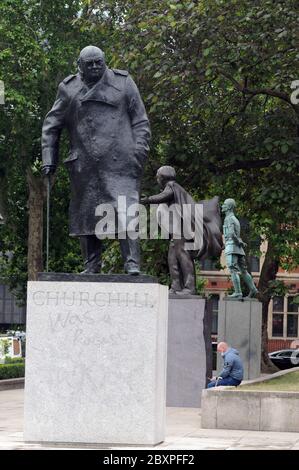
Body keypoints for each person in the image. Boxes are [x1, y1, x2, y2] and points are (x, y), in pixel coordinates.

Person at [42, 45, 151, 274]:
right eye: (89, 63)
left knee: (126, 210)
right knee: (87, 213)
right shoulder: (69, 89)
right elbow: (51, 126)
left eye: (98, 62)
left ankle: (132, 263)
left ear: (105, 62)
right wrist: (48, 159)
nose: (94, 67)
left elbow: (140, 120)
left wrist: (138, 152)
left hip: (121, 162)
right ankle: (91, 265)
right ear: (79, 65)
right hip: (85, 163)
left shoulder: (123, 83)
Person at [141, 166, 223, 295]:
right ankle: (176, 286)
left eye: (158, 176)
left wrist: (148, 200)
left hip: (182, 232)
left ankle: (190, 288)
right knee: (172, 259)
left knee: (183, 256)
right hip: (176, 233)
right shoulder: (174, 188)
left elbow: (164, 196)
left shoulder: (172, 186)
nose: (157, 179)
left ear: (163, 177)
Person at [222, 198, 258, 298]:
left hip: (231, 247)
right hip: (238, 249)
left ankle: (238, 292)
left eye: (224, 204)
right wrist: (240, 242)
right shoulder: (235, 219)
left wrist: (238, 242)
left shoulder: (228, 218)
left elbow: (232, 234)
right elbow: (237, 235)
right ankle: (253, 289)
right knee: (243, 271)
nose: (222, 206)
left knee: (233, 269)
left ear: (229, 207)